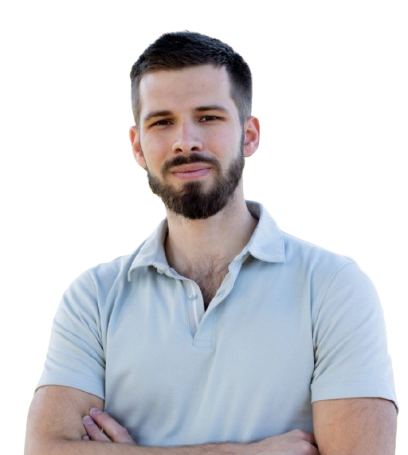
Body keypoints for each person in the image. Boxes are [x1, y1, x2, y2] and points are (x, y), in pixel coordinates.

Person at [24, 30, 398, 454]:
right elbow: (46, 449)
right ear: (137, 146)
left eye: (208, 117)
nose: (186, 141)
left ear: (250, 135)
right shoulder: (93, 297)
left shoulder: (334, 286)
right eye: (162, 122)